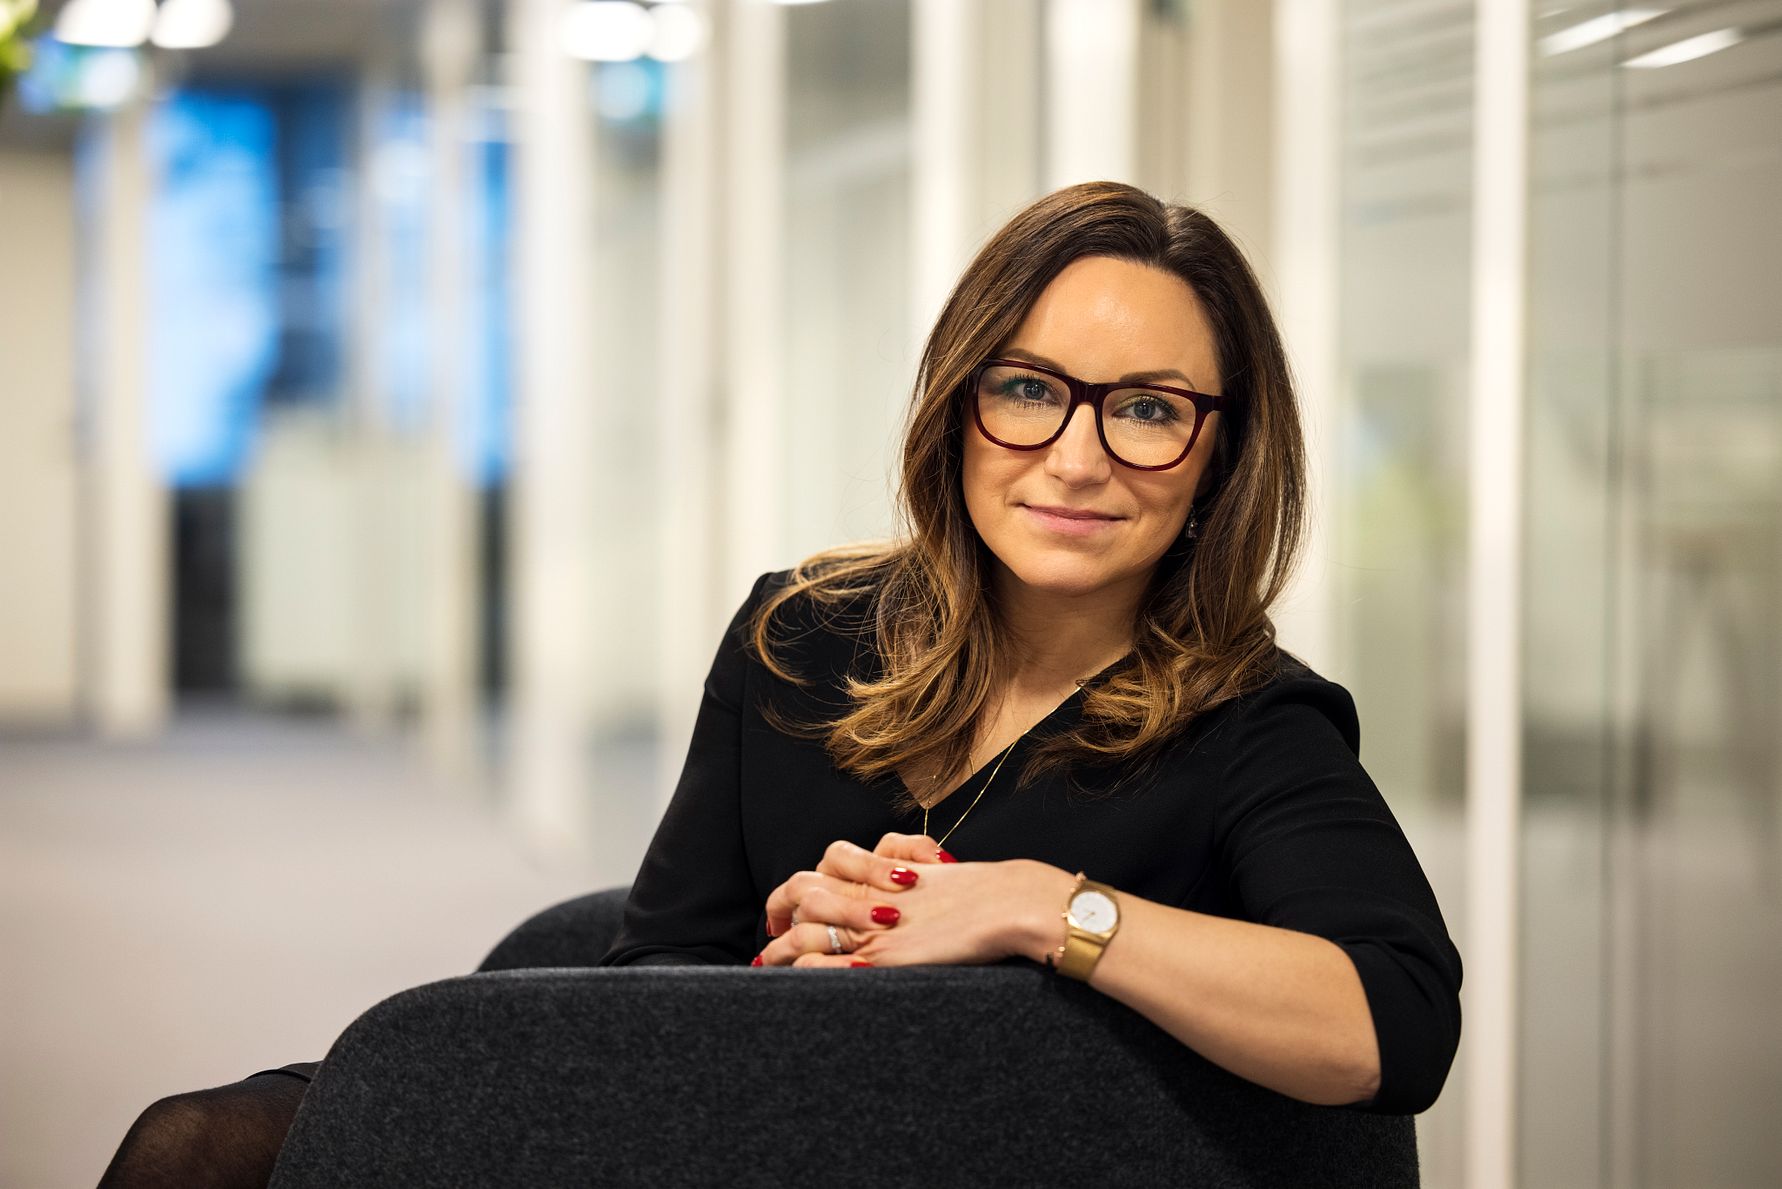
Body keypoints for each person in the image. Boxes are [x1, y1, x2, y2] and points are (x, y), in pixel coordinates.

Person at [99, 181, 1460, 1187]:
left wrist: (1046, 911)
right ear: (959, 404)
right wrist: (784, 978)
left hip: (1015, 1161)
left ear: (1221, 456)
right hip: (755, 1136)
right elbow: (656, 972)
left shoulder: (1249, 720)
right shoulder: (802, 634)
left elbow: (1392, 1024)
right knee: (197, 1147)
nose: (1076, 454)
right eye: (1028, 388)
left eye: (1150, 408)